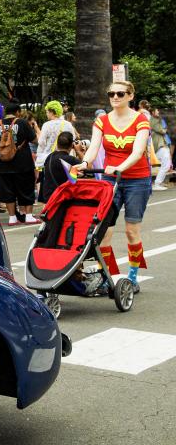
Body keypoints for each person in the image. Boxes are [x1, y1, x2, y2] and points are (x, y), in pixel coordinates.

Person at [73, 80, 153, 291]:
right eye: (111, 94)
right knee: (102, 232)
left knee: (131, 231)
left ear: (130, 96)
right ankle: (112, 277)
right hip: (110, 179)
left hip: (137, 180)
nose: (115, 97)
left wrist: (120, 167)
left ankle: (133, 278)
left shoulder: (140, 120)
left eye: (120, 93)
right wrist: (84, 163)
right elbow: (93, 148)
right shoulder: (102, 121)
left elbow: (138, 152)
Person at [0, 102, 38, 225]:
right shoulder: (22, 123)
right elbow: (34, 140)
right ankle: (29, 216)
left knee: (8, 191)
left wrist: (0, 156)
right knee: (27, 189)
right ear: (18, 112)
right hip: (23, 163)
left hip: (3, 165)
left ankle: (12, 218)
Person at [37, 130, 84, 204]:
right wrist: (79, 151)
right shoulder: (70, 160)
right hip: (62, 198)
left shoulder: (50, 156)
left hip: (49, 197)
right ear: (72, 145)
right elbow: (88, 167)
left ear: (57, 144)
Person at [35, 100, 76, 181]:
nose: (46, 114)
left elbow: (41, 143)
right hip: (65, 160)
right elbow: (73, 139)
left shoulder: (46, 125)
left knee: (48, 182)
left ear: (51, 112)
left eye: (47, 112)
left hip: (49, 159)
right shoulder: (68, 124)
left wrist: (38, 157)